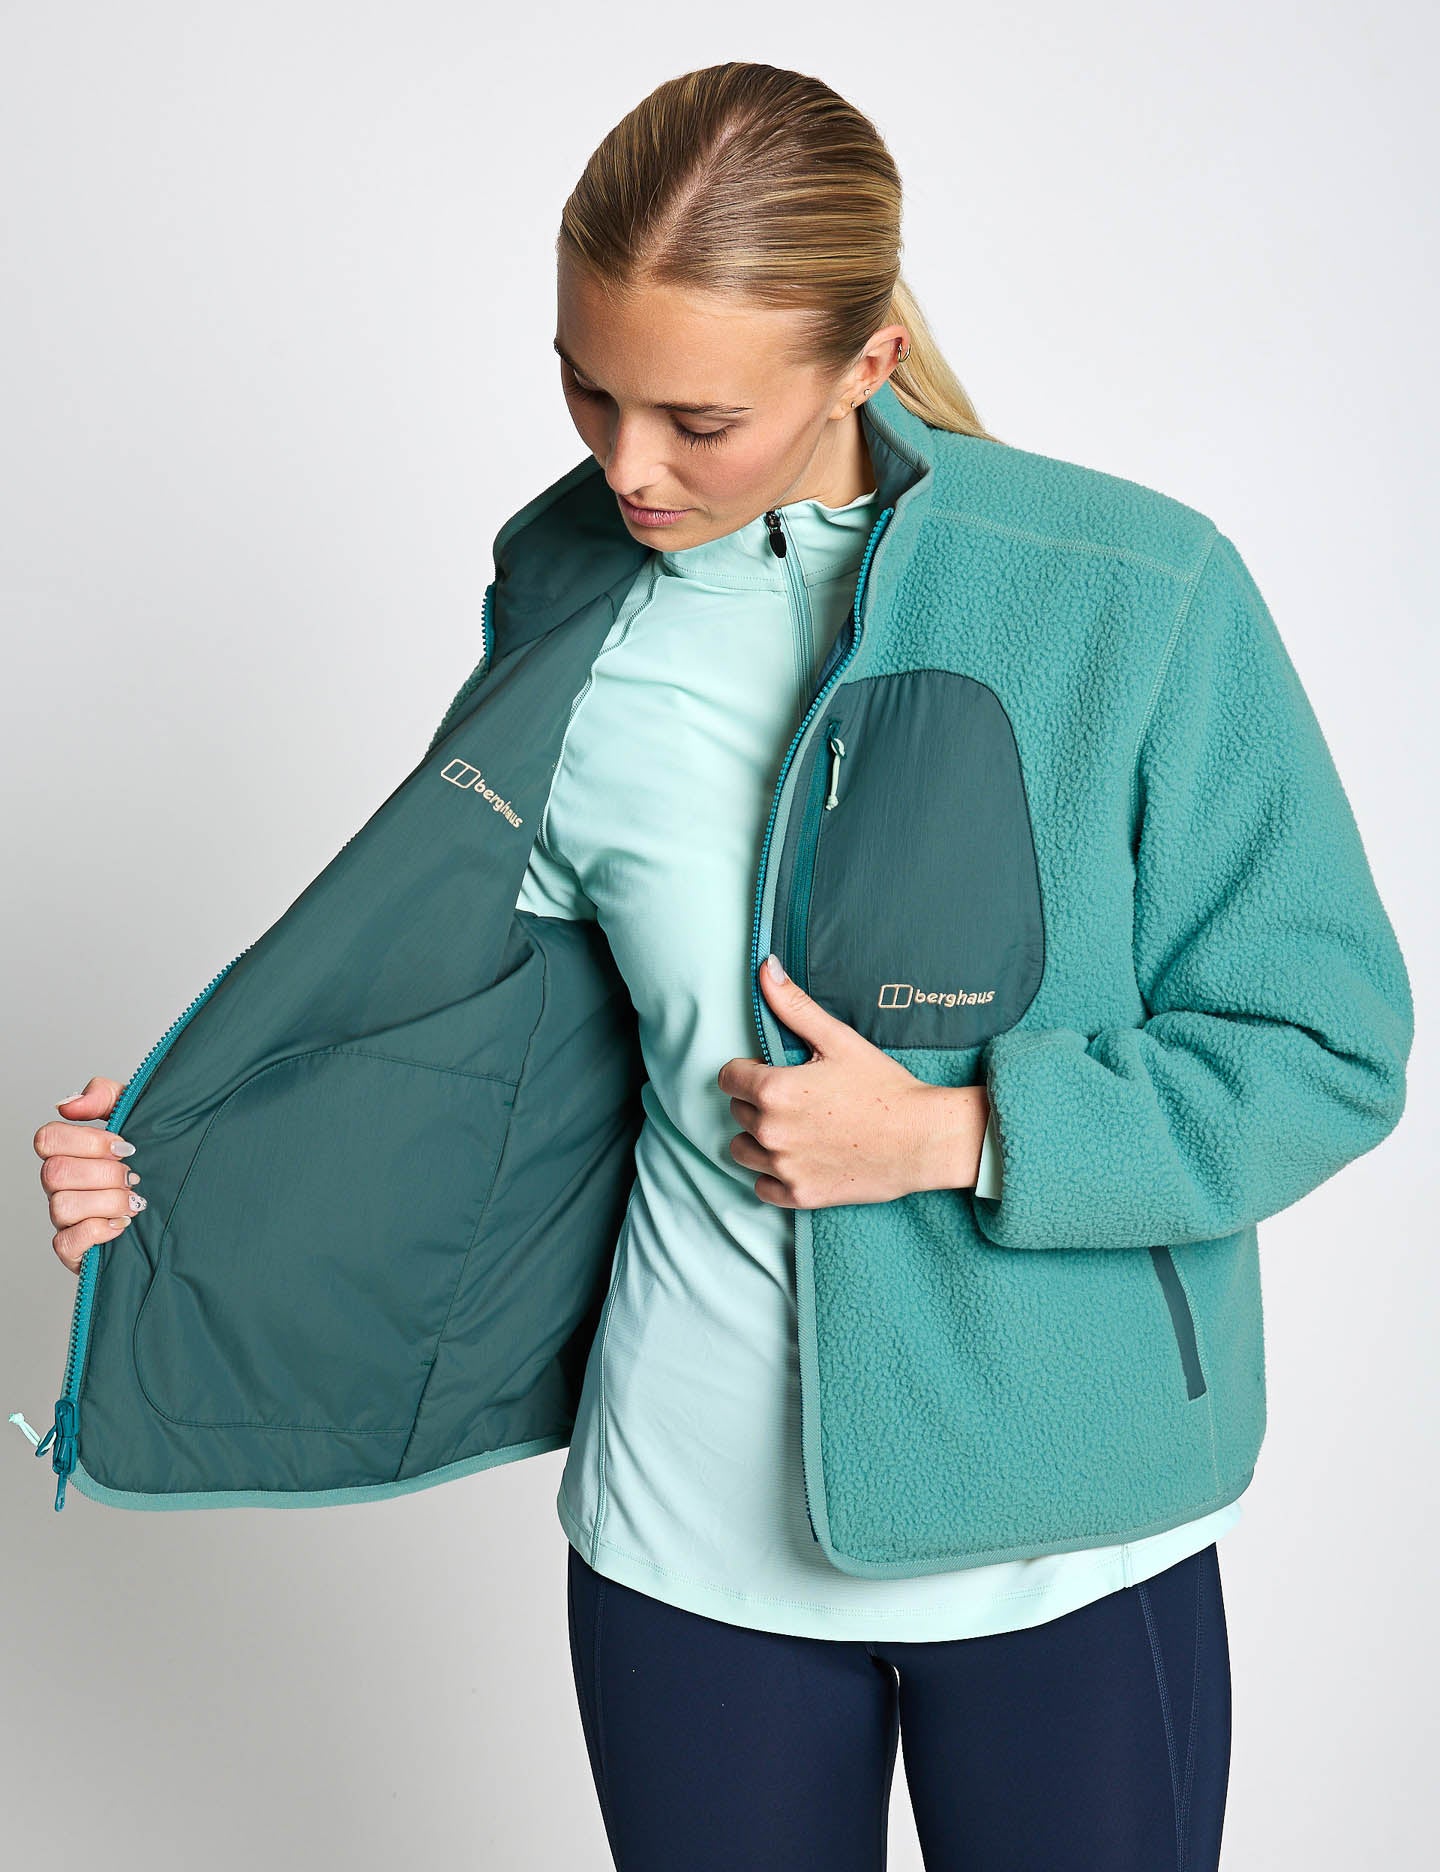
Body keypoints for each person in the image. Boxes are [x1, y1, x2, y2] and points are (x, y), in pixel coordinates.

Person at [32, 61, 1411, 1872]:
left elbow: (1325, 1042)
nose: (628, 466)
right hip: (680, 1549)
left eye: (697, 418)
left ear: (865, 358)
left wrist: (958, 1133)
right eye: (587, 389)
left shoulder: (1128, 593)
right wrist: (187, 1171)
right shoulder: (574, 614)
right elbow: (483, 1044)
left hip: (1067, 1539)